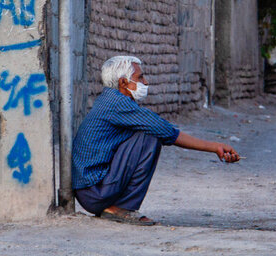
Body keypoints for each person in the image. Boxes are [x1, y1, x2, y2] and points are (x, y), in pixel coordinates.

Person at [72, 56, 241, 226]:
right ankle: (122, 207)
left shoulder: (110, 100)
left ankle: (118, 206)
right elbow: (167, 131)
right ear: (123, 82)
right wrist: (215, 147)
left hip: (91, 190)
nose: (145, 82)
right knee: (150, 136)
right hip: (95, 192)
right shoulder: (117, 104)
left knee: (146, 132)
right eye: (139, 78)